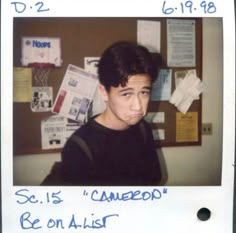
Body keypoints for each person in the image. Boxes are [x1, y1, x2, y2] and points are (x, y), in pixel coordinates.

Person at [43, 41, 162, 186]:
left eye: (144, 92)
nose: (138, 106)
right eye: (126, 94)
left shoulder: (143, 129)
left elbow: (154, 182)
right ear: (104, 92)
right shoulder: (80, 147)